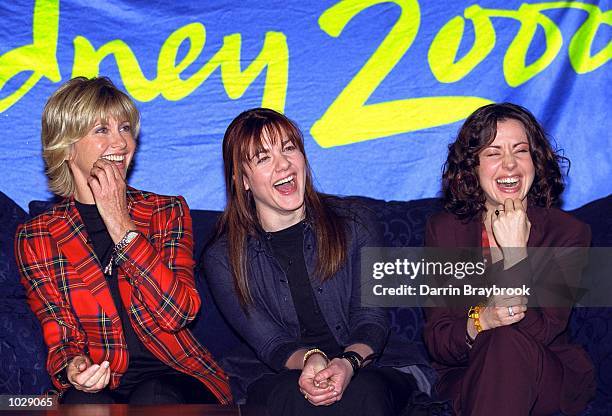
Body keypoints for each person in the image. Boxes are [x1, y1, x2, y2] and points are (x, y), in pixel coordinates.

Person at [15, 77, 232, 404]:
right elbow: (60, 334)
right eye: (102, 130)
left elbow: (178, 312)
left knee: (153, 397)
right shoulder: (36, 237)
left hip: (177, 375)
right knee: (79, 404)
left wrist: (119, 221)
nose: (121, 143)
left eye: (125, 128)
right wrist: (74, 368)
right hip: (105, 384)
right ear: (66, 146)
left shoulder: (165, 211)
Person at [203, 108, 433, 415]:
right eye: (263, 158)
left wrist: (348, 362)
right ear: (242, 180)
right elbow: (270, 344)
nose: (283, 164)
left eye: (288, 148)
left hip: (369, 362)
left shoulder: (356, 222)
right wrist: (312, 358)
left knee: (364, 393)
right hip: (281, 371)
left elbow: (372, 319)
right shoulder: (224, 259)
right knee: (291, 397)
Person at [423, 102, 595, 415]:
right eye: (493, 153)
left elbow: (543, 330)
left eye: (520, 151)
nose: (510, 165)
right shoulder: (445, 231)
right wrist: (481, 320)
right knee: (498, 341)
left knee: (506, 341)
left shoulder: (568, 234)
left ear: (536, 160)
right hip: (470, 373)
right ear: (472, 166)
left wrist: (515, 252)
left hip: (547, 372)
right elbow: (439, 339)